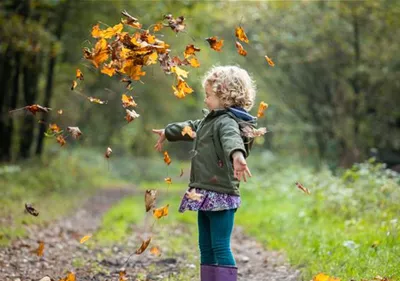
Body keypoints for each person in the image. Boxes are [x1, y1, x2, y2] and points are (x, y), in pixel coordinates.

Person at [152, 65, 257, 281]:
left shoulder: (226, 122)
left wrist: (237, 155)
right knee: (205, 246)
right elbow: (192, 127)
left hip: (220, 193)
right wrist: (168, 131)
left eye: (209, 96)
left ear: (225, 97)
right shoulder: (212, 120)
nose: (206, 100)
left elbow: (232, 140)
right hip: (205, 192)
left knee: (219, 246)